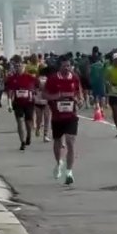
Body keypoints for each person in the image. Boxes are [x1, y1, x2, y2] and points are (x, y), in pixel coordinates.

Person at [46, 55, 82, 185]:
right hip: (57, 116)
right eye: (64, 66)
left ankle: (69, 172)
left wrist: (80, 100)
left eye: (68, 65)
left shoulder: (74, 77)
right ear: (59, 66)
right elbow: (44, 95)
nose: (66, 68)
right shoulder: (53, 79)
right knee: (57, 141)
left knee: (70, 142)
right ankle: (58, 162)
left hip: (71, 116)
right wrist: (58, 96)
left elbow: (78, 91)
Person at [5, 56, 36, 150]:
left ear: (23, 66)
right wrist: (9, 104)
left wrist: (34, 93)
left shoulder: (30, 77)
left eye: (20, 66)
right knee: (19, 121)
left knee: (28, 122)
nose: (18, 68)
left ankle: (29, 135)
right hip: (18, 103)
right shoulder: (12, 78)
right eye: (16, 66)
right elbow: (10, 92)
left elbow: (37, 87)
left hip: (29, 102)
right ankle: (22, 141)